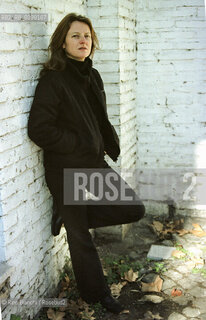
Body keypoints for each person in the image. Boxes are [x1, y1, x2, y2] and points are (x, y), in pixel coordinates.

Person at [28, 13, 145, 314]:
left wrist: (106, 144)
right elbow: (39, 129)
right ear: (62, 43)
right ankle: (98, 295)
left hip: (93, 163)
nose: (83, 41)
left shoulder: (92, 75)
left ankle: (68, 216)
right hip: (65, 169)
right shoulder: (54, 79)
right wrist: (78, 143)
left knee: (132, 208)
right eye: (75, 36)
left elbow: (97, 118)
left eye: (87, 36)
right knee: (81, 238)